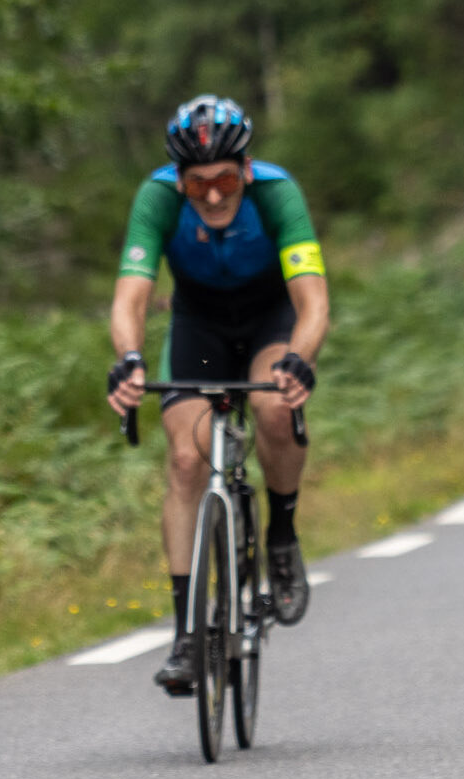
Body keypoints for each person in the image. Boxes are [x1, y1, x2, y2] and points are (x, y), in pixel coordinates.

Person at [105, 95, 329, 694]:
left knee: (275, 408)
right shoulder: (156, 198)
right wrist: (128, 358)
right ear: (179, 180)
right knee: (185, 460)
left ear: (247, 170)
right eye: (197, 183)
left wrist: (300, 360)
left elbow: (313, 301)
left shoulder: (277, 194)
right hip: (199, 326)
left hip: (269, 322)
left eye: (226, 179)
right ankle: (186, 636)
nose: (212, 195)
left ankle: (281, 535)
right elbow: (130, 297)